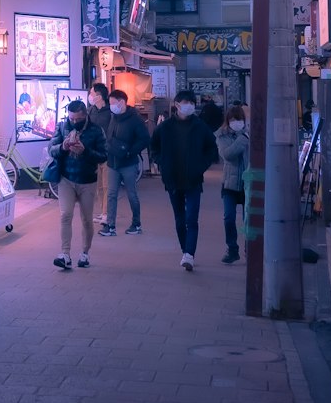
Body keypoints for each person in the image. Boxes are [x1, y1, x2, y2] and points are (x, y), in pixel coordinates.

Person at [150, 88, 219, 271]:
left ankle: (189, 254)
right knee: (180, 219)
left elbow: (211, 149)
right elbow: (154, 147)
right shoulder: (165, 127)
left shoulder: (200, 126)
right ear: (177, 105)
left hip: (194, 179)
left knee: (192, 219)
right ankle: (185, 250)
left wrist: (201, 165)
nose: (188, 107)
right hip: (172, 179)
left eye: (191, 104)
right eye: (185, 103)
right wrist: (161, 162)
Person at [47, 99, 106, 271]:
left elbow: (103, 156)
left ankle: (85, 253)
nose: (73, 122)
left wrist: (85, 151)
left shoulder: (96, 130)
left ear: (85, 116)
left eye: (77, 119)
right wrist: (63, 147)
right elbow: (52, 149)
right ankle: (65, 254)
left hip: (88, 180)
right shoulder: (62, 126)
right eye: (71, 119)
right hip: (66, 178)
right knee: (65, 215)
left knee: (87, 219)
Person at [99, 88, 151, 237]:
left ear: (122, 102)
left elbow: (145, 139)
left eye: (113, 103)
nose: (111, 106)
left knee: (132, 194)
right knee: (111, 194)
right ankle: (110, 225)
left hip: (129, 163)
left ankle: (136, 224)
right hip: (112, 162)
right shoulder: (113, 117)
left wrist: (130, 151)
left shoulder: (135, 119)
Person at [215, 104, 249, 264]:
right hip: (229, 184)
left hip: (248, 184)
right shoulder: (222, 136)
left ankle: (250, 248)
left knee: (248, 219)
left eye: (239, 119)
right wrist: (243, 140)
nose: (237, 123)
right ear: (228, 121)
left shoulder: (251, 134)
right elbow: (227, 155)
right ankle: (232, 249)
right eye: (234, 120)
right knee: (229, 218)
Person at [86, 84, 112, 224]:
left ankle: (106, 213)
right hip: (94, 154)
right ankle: (103, 213)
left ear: (99, 96)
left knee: (107, 185)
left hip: (107, 154)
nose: (90, 96)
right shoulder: (90, 111)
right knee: (99, 186)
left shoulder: (110, 112)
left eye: (92, 93)